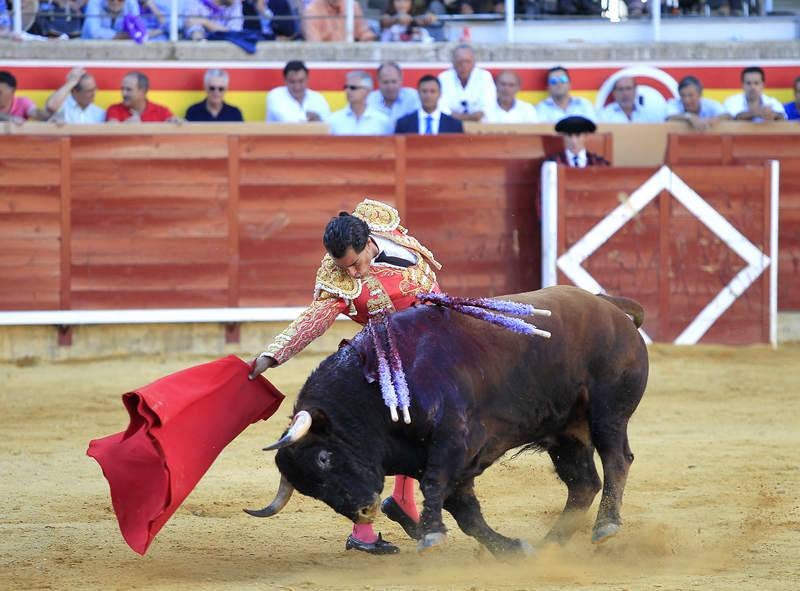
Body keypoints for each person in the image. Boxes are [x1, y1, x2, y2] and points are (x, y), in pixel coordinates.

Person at [248, 198, 443, 555]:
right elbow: (313, 321)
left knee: (423, 429)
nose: (351, 274)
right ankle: (365, 532)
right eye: (343, 267)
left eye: (354, 264)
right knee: (365, 442)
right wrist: (272, 355)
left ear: (369, 241)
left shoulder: (380, 221)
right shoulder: (337, 279)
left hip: (435, 343)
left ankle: (403, 502)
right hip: (384, 360)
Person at [437, 43, 496, 123]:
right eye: (460, 62)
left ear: (474, 63)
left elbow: (488, 106)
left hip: (479, 126)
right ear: (453, 63)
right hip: (450, 125)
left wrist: (458, 116)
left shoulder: (484, 76)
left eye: (467, 61)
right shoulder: (443, 78)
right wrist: (470, 117)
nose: (464, 65)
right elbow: (441, 107)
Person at [329, 71, 393, 136]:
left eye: (353, 88)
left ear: (367, 91)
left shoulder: (382, 121)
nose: (348, 91)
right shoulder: (334, 119)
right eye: (346, 87)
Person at [395, 74, 464, 134]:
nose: (428, 96)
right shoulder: (403, 124)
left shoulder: (454, 125)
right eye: (424, 91)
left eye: (432, 91)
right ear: (418, 93)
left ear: (440, 94)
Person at [266, 61, 331, 123]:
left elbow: (328, 125)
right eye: (292, 82)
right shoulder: (276, 95)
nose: (297, 87)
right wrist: (315, 119)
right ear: (285, 81)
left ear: (307, 79)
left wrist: (319, 120)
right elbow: (286, 120)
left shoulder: (318, 98)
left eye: (301, 81)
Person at [106, 71, 177, 122]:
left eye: (128, 90)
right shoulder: (114, 110)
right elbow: (111, 134)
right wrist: (126, 127)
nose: (123, 93)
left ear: (142, 91)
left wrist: (178, 124)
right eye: (122, 89)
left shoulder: (162, 112)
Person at [545, 115, 609, 167]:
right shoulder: (552, 163)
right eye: (569, 135)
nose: (573, 140)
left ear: (585, 136)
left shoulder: (599, 163)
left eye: (578, 136)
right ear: (563, 136)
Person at [302, 0, 376, 42]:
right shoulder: (312, 11)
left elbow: (365, 34)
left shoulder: (352, 6)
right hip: (325, 62)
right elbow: (315, 45)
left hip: (352, 58)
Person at [599, 76, 664, 123]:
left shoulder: (647, 114)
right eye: (620, 89)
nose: (625, 93)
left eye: (628, 88)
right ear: (614, 93)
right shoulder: (604, 116)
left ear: (635, 91)